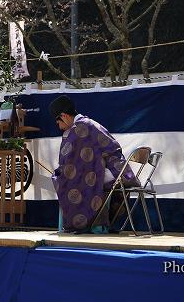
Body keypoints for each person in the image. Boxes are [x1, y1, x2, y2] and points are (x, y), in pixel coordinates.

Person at [49, 95, 139, 233]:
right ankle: (98, 224)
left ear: (64, 116)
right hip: (119, 171)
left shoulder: (78, 129)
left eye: (58, 122)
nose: (59, 127)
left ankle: (85, 225)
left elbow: (69, 163)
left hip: (109, 173)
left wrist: (58, 174)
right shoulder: (88, 123)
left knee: (64, 182)